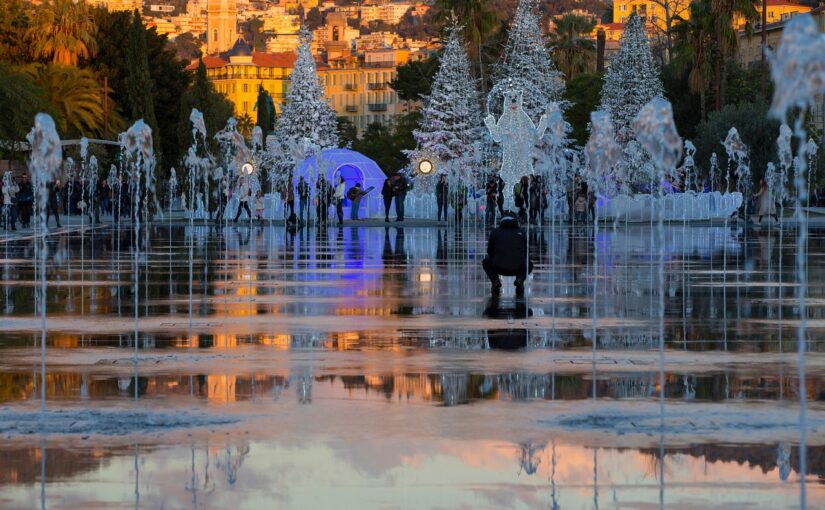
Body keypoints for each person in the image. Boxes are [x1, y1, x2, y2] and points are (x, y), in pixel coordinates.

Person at [482, 211, 533, 298]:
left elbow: (489, 252)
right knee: (529, 264)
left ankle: (495, 281)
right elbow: (526, 253)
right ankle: (520, 279)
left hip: (498, 267)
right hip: (518, 268)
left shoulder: (495, 232)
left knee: (485, 261)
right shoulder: (522, 232)